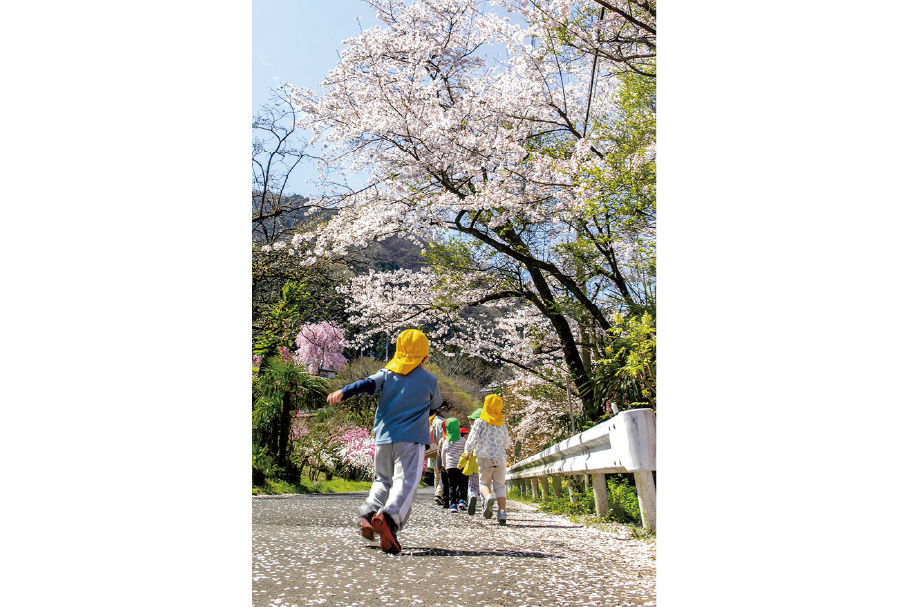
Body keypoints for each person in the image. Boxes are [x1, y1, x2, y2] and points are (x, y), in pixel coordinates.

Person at [326, 329, 442, 553]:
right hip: (411, 441)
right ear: (424, 356)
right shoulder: (430, 380)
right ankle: (389, 518)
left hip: (383, 438)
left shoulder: (387, 374)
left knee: (383, 480)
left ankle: (369, 512)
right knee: (405, 482)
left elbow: (366, 384)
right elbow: (436, 406)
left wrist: (343, 391)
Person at [463, 394, 511, 525]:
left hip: (484, 458)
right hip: (500, 458)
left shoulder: (479, 422)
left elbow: (472, 438)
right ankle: (502, 512)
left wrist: (468, 451)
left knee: (484, 484)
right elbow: (507, 443)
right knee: (500, 486)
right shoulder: (501, 424)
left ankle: (488, 497)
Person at [439, 417, 468, 513]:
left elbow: (443, 454)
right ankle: (461, 500)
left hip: (450, 466)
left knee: (452, 486)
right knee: (461, 485)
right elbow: (466, 452)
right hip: (461, 466)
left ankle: (453, 504)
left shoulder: (447, 441)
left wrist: (444, 464)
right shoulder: (463, 440)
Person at [429, 402, 451, 506]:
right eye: (446, 409)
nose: (447, 411)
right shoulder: (443, 422)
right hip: (440, 451)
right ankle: (438, 494)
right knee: (442, 474)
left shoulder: (431, 421)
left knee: (436, 475)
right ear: (440, 410)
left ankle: (438, 495)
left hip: (431, 451)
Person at [463, 408, 483, 515]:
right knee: (485, 486)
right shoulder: (488, 433)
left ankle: (473, 497)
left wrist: (462, 462)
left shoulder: (473, 433)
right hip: (485, 465)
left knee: (472, 485)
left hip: (473, 466)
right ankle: (485, 506)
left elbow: (468, 448)